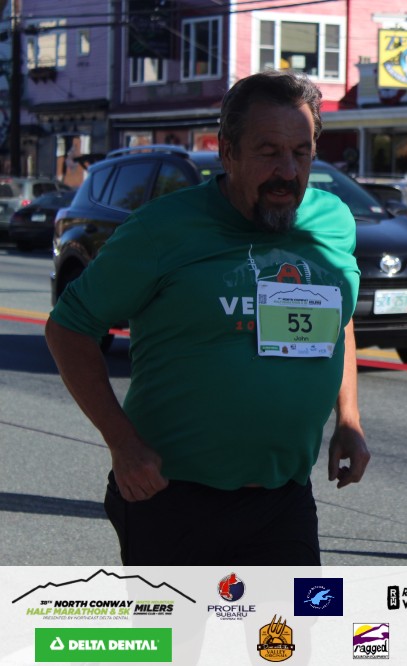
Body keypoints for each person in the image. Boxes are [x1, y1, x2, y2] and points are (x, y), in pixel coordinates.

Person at [45, 70, 370, 565]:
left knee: (298, 621)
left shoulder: (333, 222)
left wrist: (349, 419)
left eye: (301, 153)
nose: (287, 171)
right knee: (180, 623)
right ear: (227, 151)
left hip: (283, 498)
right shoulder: (162, 229)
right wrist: (123, 445)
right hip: (171, 498)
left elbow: (337, 315)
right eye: (268, 152)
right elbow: (69, 327)